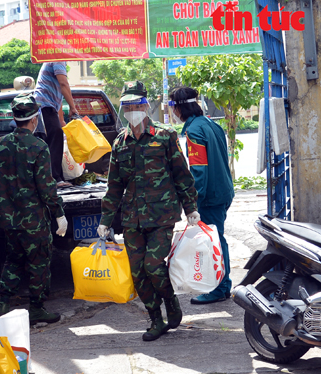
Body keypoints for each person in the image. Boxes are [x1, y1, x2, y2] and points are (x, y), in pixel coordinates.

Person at [97, 81, 199, 341]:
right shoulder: (120, 142)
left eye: (135, 104)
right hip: (132, 218)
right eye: (127, 106)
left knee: (154, 267)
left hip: (161, 216)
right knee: (138, 273)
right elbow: (114, 185)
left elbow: (181, 175)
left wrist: (191, 208)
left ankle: (171, 302)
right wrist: (105, 220)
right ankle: (156, 319)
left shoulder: (165, 136)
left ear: (144, 105)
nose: (132, 110)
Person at [0, 93, 68, 324]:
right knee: (38, 260)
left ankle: (3, 303)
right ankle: (37, 308)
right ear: (34, 119)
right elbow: (46, 186)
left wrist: (7, 199)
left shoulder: (0, 145)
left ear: (14, 118)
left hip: (10, 220)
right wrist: (59, 212)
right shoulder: (38, 146)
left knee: (13, 258)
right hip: (34, 221)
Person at [169, 87, 235, 304]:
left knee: (213, 241)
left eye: (172, 106)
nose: (173, 111)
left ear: (180, 107)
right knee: (217, 238)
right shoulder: (210, 124)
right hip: (222, 190)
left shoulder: (194, 131)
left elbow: (199, 170)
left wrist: (192, 203)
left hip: (210, 196)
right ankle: (223, 285)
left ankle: (219, 288)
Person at [33, 61, 81, 182]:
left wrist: (61, 120)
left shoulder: (56, 60)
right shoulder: (58, 59)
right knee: (55, 138)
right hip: (44, 105)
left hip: (47, 106)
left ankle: (53, 177)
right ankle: (55, 179)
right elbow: (63, 84)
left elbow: (58, 95)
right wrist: (73, 107)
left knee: (55, 136)